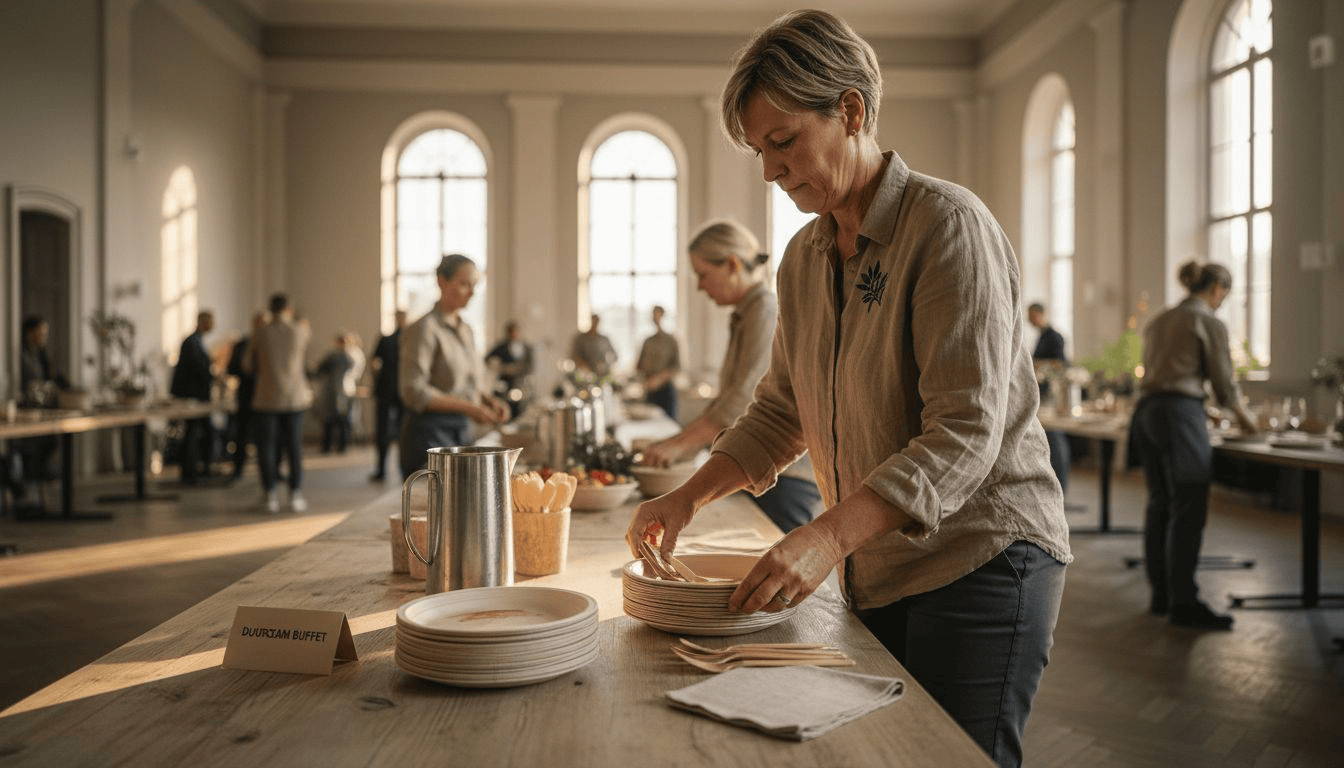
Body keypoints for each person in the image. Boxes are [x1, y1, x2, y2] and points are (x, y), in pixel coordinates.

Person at [624, 12, 1070, 767]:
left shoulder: (948, 226)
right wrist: (685, 498)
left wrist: (824, 536)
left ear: (852, 111)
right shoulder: (804, 257)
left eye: (782, 141)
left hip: (984, 558)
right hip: (881, 560)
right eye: (759, 150)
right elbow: (778, 413)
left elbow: (963, 433)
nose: (769, 170)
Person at [639, 220, 822, 533]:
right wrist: (675, 442)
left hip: (784, 476)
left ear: (732, 264)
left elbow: (739, 405)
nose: (699, 286)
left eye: (703, 275)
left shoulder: (764, 311)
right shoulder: (746, 313)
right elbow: (725, 402)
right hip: (761, 467)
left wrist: (678, 446)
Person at [1132, 260, 1257, 631]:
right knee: (1188, 506)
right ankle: (1184, 603)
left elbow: (1163, 371)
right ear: (1217, 288)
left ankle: (1161, 595)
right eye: (1224, 296)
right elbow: (1223, 384)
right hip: (1179, 415)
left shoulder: (1159, 320)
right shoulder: (1208, 322)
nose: (1222, 303)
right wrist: (1251, 425)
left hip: (1148, 412)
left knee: (1160, 505)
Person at [398, 254, 509, 479]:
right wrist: (470, 408)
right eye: (464, 284)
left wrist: (488, 401)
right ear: (442, 281)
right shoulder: (424, 329)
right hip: (431, 437)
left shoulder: (466, 330)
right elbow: (413, 391)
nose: (471, 292)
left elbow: (468, 382)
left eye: (474, 286)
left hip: (462, 433)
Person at [245, 293, 313, 514]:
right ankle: (295, 493)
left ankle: (270, 493)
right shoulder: (300, 330)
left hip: (267, 397)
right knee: (294, 447)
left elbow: (247, 365)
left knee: (267, 447)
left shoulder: (260, 332)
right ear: (289, 308)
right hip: (294, 396)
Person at [169, 310, 217, 485]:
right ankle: (192, 472)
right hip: (192, 398)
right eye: (211, 321)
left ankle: (199, 469)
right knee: (194, 433)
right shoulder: (192, 343)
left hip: (197, 397)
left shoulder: (196, 342)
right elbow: (198, 370)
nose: (213, 325)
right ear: (202, 321)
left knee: (199, 432)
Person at [1028, 302, 1071, 493]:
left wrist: (1037, 366)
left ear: (1040, 314)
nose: (1029, 319)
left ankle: (1060, 486)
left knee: (1055, 438)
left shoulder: (1054, 337)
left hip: (1051, 397)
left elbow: (1060, 366)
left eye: (1031, 315)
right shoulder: (1042, 337)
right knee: (1050, 440)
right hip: (1041, 395)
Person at [368, 310, 407, 481]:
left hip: (388, 389)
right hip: (400, 391)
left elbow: (374, 363)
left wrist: (375, 378)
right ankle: (400, 470)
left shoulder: (389, 340)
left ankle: (383, 470)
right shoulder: (405, 340)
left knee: (387, 431)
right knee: (401, 431)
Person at [225, 313, 263, 481]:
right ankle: (238, 469)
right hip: (247, 396)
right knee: (242, 435)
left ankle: (269, 471)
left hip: (265, 398)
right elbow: (231, 369)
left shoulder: (270, 346)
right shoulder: (242, 345)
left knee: (265, 437)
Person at [312, 332, 355, 454]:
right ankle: (339, 446)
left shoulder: (338, 357)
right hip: (340, 391)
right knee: (339, 420)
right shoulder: (346, 357)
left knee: (334, 420)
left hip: (337, 391)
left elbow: (319, 370)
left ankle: (330, 446)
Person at [635, 306, 681, 420]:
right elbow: (639, 365)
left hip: (665, 389)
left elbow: (676, 366)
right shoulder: (648, 341)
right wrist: (644, 380)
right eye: (653, 314)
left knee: (668, 423)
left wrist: (659, 379)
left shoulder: (671, 340)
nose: (655, 317)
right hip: (649, 390)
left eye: (658, 314)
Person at [485, 320, 535, 421]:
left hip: (521, 384)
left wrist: (519, 369)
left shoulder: (527, 347)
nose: (513, 334)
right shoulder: (501, 346)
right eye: (510, 331)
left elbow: (531, 366)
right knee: (505, 407)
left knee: (523, 409)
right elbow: (487, 359)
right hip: (506, 384)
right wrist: (502, 368)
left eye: (515, 331)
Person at [569, 314, 616, 384]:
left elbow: (613, 355)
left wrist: (606, 364)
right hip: (584, 375)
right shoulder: (581, 339)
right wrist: (583, 366)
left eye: (596, 322)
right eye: (593, 321)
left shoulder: (603, 340)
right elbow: (575, 355)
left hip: (602, 375)